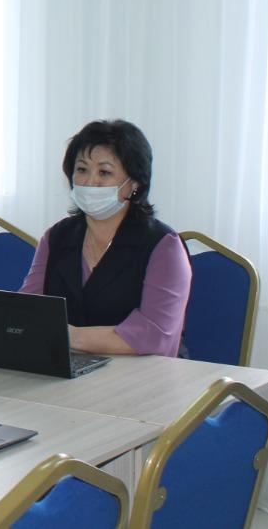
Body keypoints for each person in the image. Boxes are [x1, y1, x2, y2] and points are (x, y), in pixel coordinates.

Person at [19, 119, 192, 357]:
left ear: (133, 184)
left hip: (145, 373)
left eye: (105, 172)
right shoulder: (56, 237)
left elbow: (155, 336)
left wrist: (67, 335)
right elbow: (27, 311)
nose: (90, 182)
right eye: (82, 170)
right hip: (68, 368)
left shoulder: (163, 246)